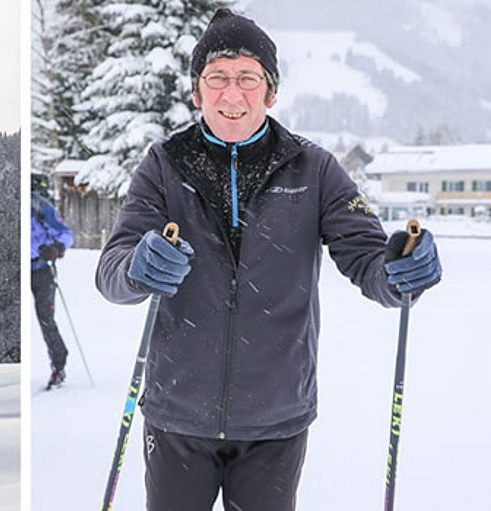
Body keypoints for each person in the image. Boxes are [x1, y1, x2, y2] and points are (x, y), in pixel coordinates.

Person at [95, 8, 442, 510]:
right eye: (217, 78)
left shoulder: (315, 168)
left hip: (275, 422)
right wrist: (137, 267)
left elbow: (369, 260)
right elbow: (112, 270)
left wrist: (399, 270)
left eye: (247, 78)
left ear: (271, 91)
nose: (232, 95)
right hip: (177, 417)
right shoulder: (165, 163)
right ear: (197, 91)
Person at [31, 172, 74, 389]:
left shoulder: (40, 206)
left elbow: (66, 234)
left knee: (46, 318)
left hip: (41, 270)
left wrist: (56, 248)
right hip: (29, 269)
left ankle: (59, 364)